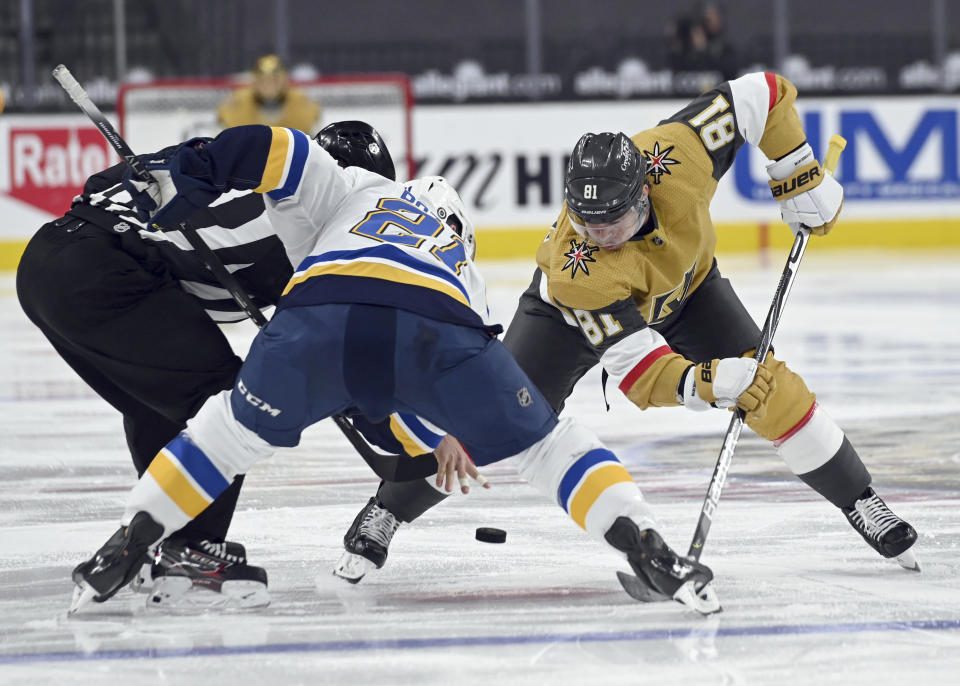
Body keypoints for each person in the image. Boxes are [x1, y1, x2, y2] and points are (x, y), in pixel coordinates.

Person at [68, 121, 778, 616]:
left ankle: (129, 541)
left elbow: (275, 148)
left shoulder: (348, 192)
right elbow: (448, 354)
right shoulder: (459, 255)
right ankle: (645, 545)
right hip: (438, 324)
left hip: (320, 311)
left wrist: (192, 172)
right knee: (547, 446)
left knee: (224, 434)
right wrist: (439, 432)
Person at [337, 70, 920, 582]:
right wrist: (712, 383)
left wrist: (799, 176)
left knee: (776, 389)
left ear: (644, 189)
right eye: (585, 220)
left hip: (691, 289)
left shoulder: (679, 153)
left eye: (611, 219)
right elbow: (642, 376)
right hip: (563, 320)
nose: (598, 233)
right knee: (486, 420)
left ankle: (862, 501)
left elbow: (764, 93)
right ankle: (388, 508)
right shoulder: (577, 270)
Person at [17, 121, 402, 609]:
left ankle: (164, 535)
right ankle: (190, 546)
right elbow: (319, 345)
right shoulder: (307, 226)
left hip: (48, 264)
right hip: (100, 274)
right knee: (224, 402)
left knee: (157, 405)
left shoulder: (232, 164)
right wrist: (386, 427)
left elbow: (99, 188)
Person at [217, 54, 322, 135]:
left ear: (284, 80)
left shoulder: (301, 102)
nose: (269, 86)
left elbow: (315, 141)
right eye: (263, 81)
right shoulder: (237, 103)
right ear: (255, 82)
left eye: (275, 80)